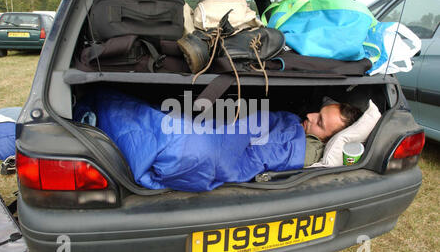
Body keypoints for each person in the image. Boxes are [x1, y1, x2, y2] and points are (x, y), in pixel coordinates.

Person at [75, 89, 363, 192]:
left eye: (320, 122)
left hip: (203, 150)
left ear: (332, 140)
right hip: (217, 129)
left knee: (169, 138)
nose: (311, 115)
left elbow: (244, 157)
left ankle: (98, 105)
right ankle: (100, 104)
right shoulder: (295, 124)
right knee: (154, 117)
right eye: (318, 112)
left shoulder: (297, 148)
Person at [302, 99, 362, 167]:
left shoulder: (307, 153)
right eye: (318, 112)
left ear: (328, 141)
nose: (309, 115)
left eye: (319, 122)